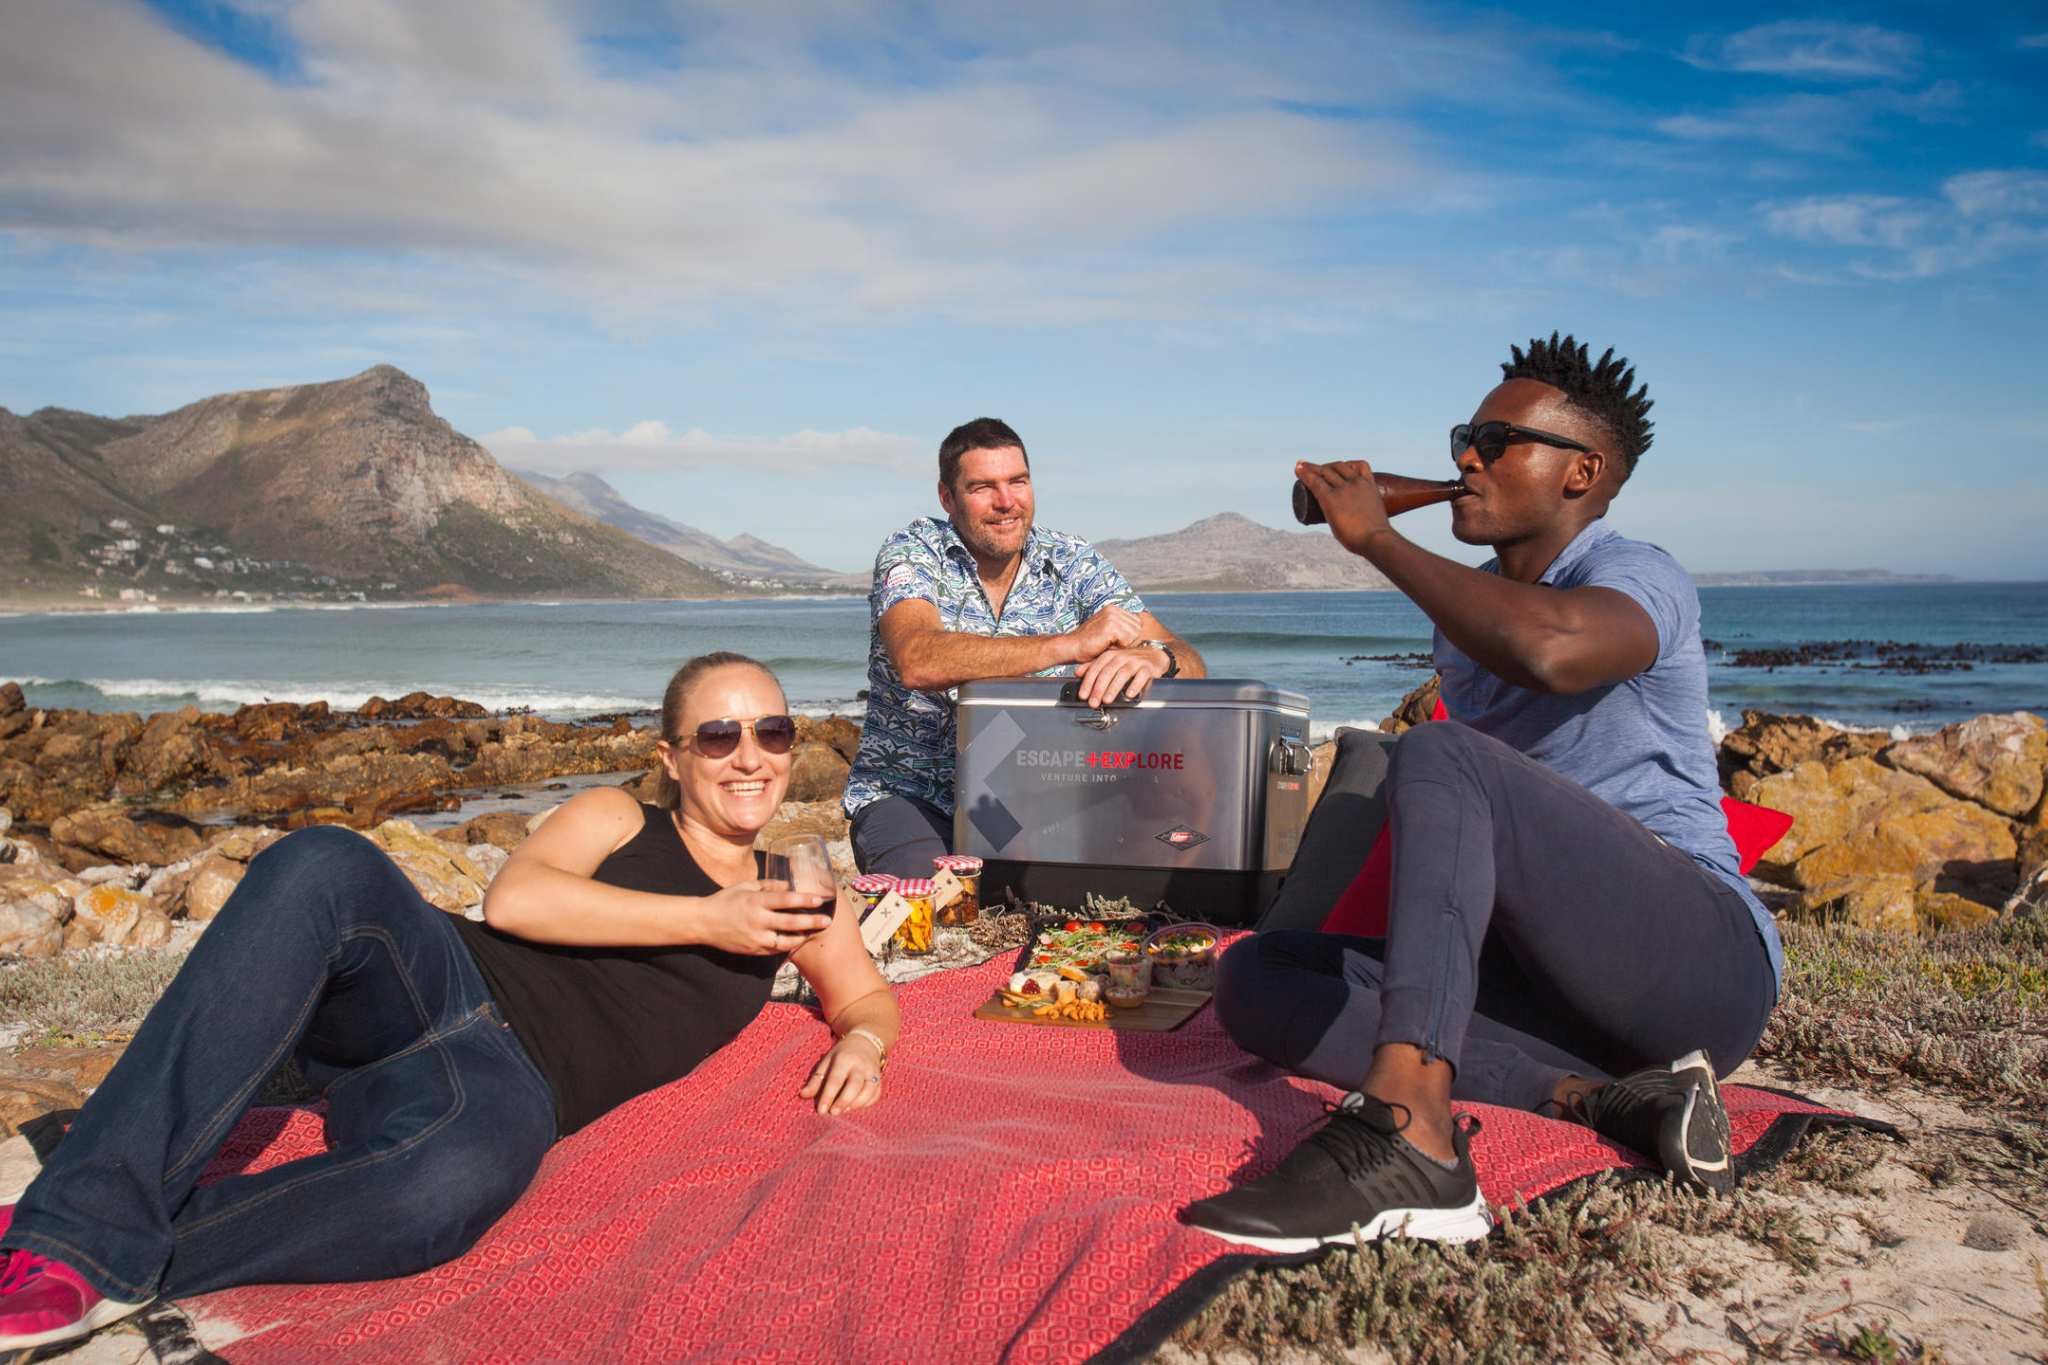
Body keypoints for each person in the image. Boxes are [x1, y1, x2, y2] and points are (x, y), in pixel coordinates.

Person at [0, 652, 899, 1352]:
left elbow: (864, 998)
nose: (750, 756)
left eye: (773, 732)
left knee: (444, 1192)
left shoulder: (798, 894)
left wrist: (862, 1042)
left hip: (512, 1088)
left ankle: (99, 1246)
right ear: (670, 757)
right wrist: (711, 916)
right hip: (440, 980)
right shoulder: (618, 816)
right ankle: (82, 1221)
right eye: (718, 736)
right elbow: (515, 901)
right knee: (322, 861)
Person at [1185, 334, 1782, 1252]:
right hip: (1554, 985)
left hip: (1699, 964)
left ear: (1582, 471)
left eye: (1498, 440)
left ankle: (1413, 1135)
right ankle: (1599, 1096)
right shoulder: (1465, 625)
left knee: (1440, 751)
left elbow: (1553, 651)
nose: (1466, 456)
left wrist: (1379, 536)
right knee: (1261, 976)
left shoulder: (1639, 572)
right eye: (1467, 433)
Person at [843, 416, 1207, 878]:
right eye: (983, 487)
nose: (1006, 502)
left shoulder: (1073, 561)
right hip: (912, 793)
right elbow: (918, 658)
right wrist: (1070, 645)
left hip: (1026, 802)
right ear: (947, 498)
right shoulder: (915, 550)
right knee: (927, 907)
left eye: (1018, 482)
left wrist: (1158, 657)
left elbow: (1190, 660)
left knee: (1124, 890)